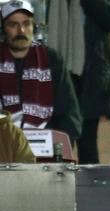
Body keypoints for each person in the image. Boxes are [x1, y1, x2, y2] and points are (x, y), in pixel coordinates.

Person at [48, 0, 110, 163]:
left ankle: (90, 188)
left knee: (88, 147)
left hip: (89, 76)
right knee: (58, 145)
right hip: (54, 74)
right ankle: (56, 187)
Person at [0, 0, 82, 141]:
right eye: (13, 25)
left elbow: (69, 115)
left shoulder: (51, 59)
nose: (22, 31)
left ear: (34, 27)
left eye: (26, 24)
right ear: (3, 30)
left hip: (44, 143)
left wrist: (58, 147)